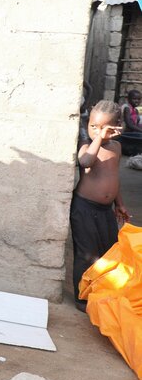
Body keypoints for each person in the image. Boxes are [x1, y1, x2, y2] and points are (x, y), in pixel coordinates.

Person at [71, 99, 131, 312]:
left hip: (105, 211)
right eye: (93, 126)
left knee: (107, 252)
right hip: (85, 208)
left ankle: (99, 291)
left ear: (117, 127)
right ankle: (81, 298)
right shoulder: (86, 146)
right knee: (86, 253)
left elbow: (114, 178)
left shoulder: (116, 147)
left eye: (105, 128)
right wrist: (98, 138)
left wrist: (120, 204)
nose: (98, 131)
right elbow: (86, 162)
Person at [119, 89, 142, 155]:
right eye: (134, 99)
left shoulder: (136, 110)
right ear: (128, 99)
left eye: (139, 99)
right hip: (123, 133)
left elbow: (136, 124)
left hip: (131, 132)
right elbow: (129, 124)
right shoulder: (127, 108)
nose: (137, 101)